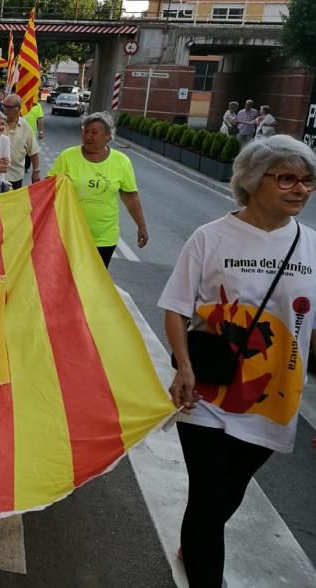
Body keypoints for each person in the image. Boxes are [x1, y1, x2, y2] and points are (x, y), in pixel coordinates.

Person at [161, 136, 316, 588]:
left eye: (308, 180)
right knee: (209, 500)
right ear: (253, 180)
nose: (301, 189)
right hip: (207, 393)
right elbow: (176, 306)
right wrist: (184, 368)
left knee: (227, 496)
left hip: (274, 398)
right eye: (287, 178)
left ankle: (197, 542)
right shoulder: (210, 237)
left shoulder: (311, 246)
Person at [47, 111, 148, 267]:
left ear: (108, 135)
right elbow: (48, 188)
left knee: (94, 287)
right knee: (66, 282)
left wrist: (141, 226)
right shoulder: (67, 157)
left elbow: (130, 197)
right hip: (69, 234)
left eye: (94, 132)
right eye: (85, 131)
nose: (88, 136)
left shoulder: (121, 162)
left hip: (103, 238)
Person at [0, 93, 41, 190]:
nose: (5, 110)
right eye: (4, 106)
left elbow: (33, 151)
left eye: (8, 107)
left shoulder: (25, 127)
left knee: (12, 204)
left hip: (15, 177)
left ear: (18, 109)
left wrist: (36, 171)